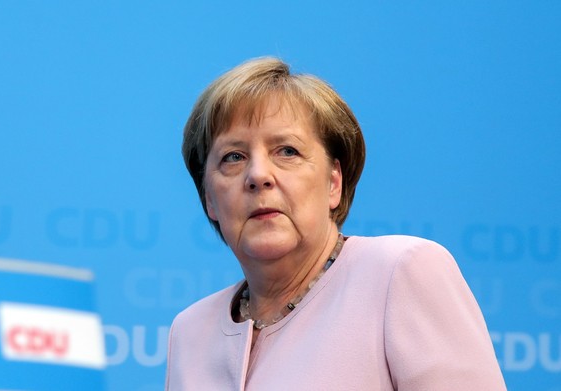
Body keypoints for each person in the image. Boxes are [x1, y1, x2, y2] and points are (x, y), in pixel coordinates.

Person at [165, 57, 507, 390]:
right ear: (209, 197)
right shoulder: (190, 331)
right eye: (233, 157)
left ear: (333, 182)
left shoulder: (400, 274)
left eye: (287, 151)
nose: (258, 175)